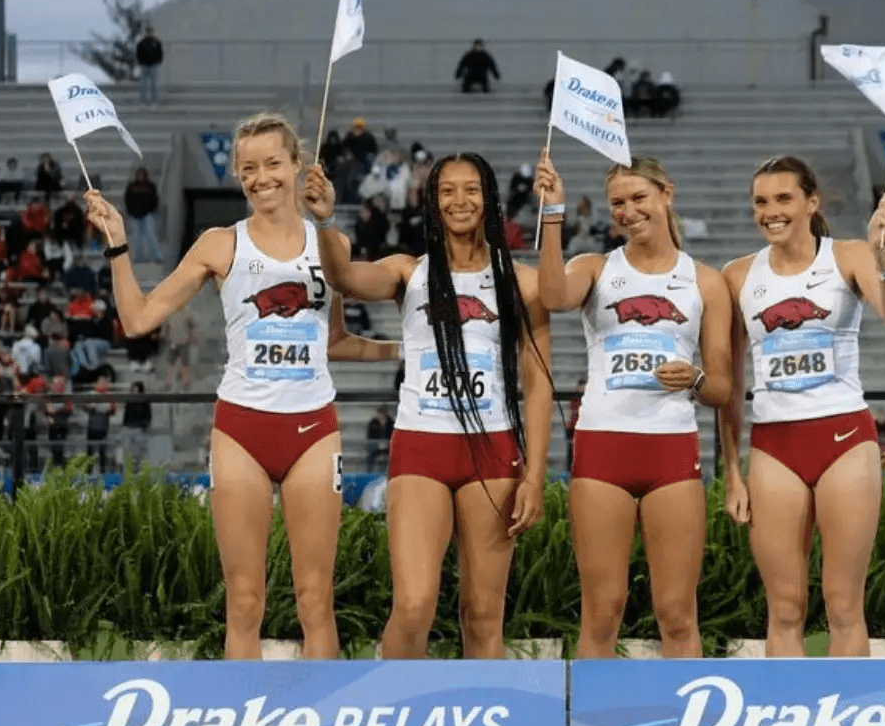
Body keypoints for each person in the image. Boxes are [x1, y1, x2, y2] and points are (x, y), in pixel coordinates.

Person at [83, 111, 399, 660]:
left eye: (274, 163)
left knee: (314, 599)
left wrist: (406, 352)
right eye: (249, 168)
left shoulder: (332, 244)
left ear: (298, 165)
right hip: (241, 431)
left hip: (313, 431)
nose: (261, 177)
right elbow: (138, 320)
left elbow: (336, 341)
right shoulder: (218, 244)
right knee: (245, 601)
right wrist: (117, 244)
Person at [310, 151, 550, 660]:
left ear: (489, 198)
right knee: (415, 605)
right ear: (432, 202)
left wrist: (534, 476)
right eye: (447, 191)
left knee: (484, 614)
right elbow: (343, 279)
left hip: (494, 449)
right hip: (421, 446)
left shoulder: (522, 280)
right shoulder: (408, 272)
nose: (459, 200)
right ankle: (397, 714)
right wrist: (326, 220)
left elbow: (540, 382)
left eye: (470, 189)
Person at [533, 153, 734, 658]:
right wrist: (553, 213)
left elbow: (723, 389)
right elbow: (553, 296)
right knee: (602, 610)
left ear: (667, 193)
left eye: (638, 198)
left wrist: (695, 378)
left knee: (677, 613)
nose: (628, 211)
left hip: (671, 451)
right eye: (617, 203)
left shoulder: (705, 282)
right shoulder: (596, 268)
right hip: (602, 448)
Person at [718, 155, 885, 657]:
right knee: (783, 609)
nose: (771, 211)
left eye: (783, 199)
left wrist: (882, 254)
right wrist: (731, 472)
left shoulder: (848, 255)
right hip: (774, 444)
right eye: (761, 201)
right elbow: (731, 384)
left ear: (811, 202)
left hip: (844, 438)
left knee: (844, 604)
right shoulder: (737, 276)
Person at [135, 26, 164, 106]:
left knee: (154, 84)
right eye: (148, 32)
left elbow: (160, 53)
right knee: (143, 84)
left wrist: (158, 61)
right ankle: (143, 101)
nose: (149, 33)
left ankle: (154, 101)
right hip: (144, 65)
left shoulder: (156, 42)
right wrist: (140, 62)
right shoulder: (141, 43)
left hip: (153, 65)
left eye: (150, 32)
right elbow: (138, 53)